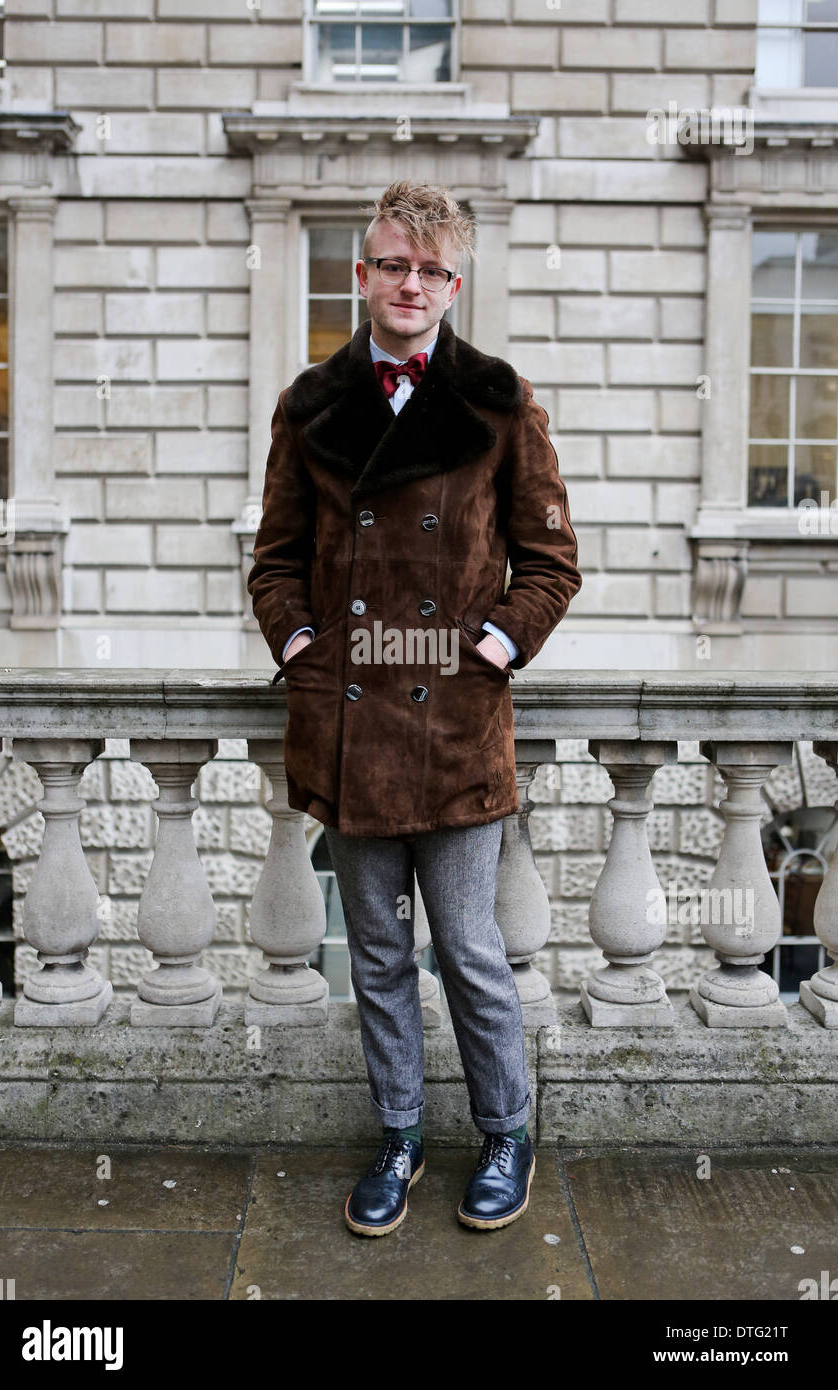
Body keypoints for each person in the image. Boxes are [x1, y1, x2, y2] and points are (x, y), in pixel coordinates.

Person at [247, 179, 581, 1236]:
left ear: (454, 280)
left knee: (470, 950)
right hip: (348, 729)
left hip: (454, 730)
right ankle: (398, 1134)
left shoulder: (497, 398)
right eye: (393, 263)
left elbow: (551, 560)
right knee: (380, 953)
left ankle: (504, 1132)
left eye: (431, 268)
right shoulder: (309, 404)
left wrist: (490, 645)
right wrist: (303, 649)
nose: (410, 283)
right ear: (362, 272)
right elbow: (274, 563)